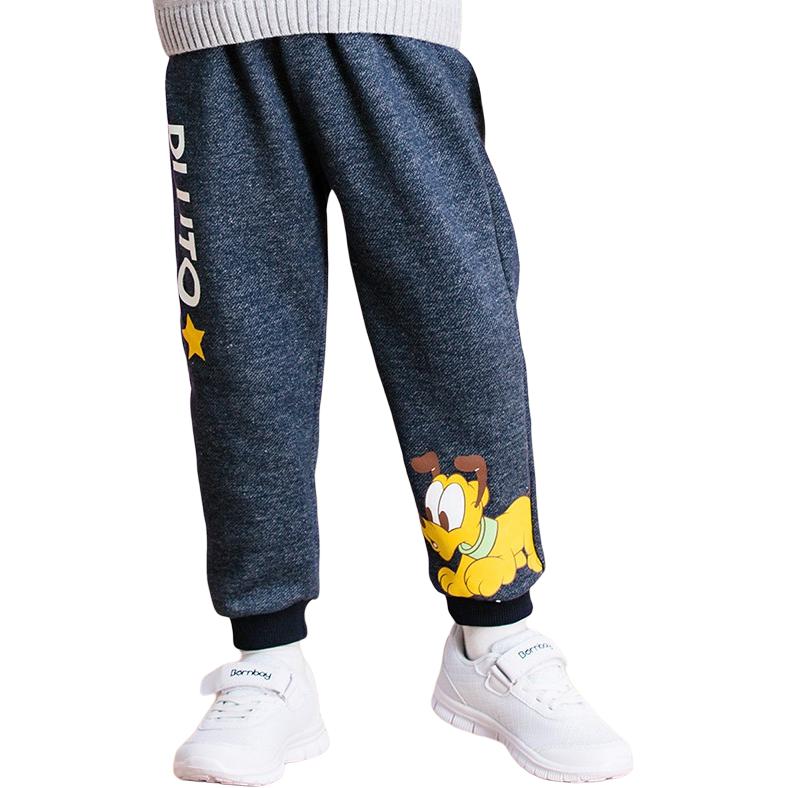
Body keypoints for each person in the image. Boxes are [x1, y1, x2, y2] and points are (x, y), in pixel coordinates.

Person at [154, 0, 632, 783]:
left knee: (459, 328)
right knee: (239, 349)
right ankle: (268, 658)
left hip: (395, 20)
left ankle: (492, 635)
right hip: (218, 28)